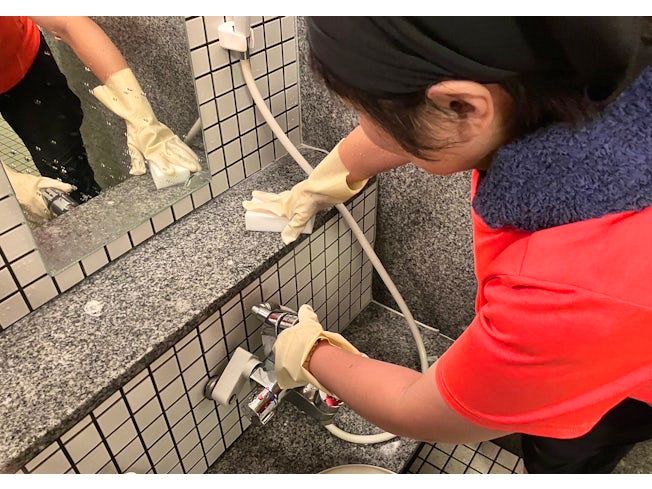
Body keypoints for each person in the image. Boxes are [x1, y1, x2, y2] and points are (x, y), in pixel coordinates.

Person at [244, 17, 652, 473]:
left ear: (462, 106)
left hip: (633, 376)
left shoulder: (566, 287)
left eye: (368, 113)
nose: (364, 127)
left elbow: (417, 408)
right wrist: (329, 176)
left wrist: (309, 351)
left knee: (567, 450)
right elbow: (424, 125)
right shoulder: (583, 79)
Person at [0, 16, 200, 220]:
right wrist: (12, 184)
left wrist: (141, 116)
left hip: (23, 59)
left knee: (67, 170)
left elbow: (68, 22)